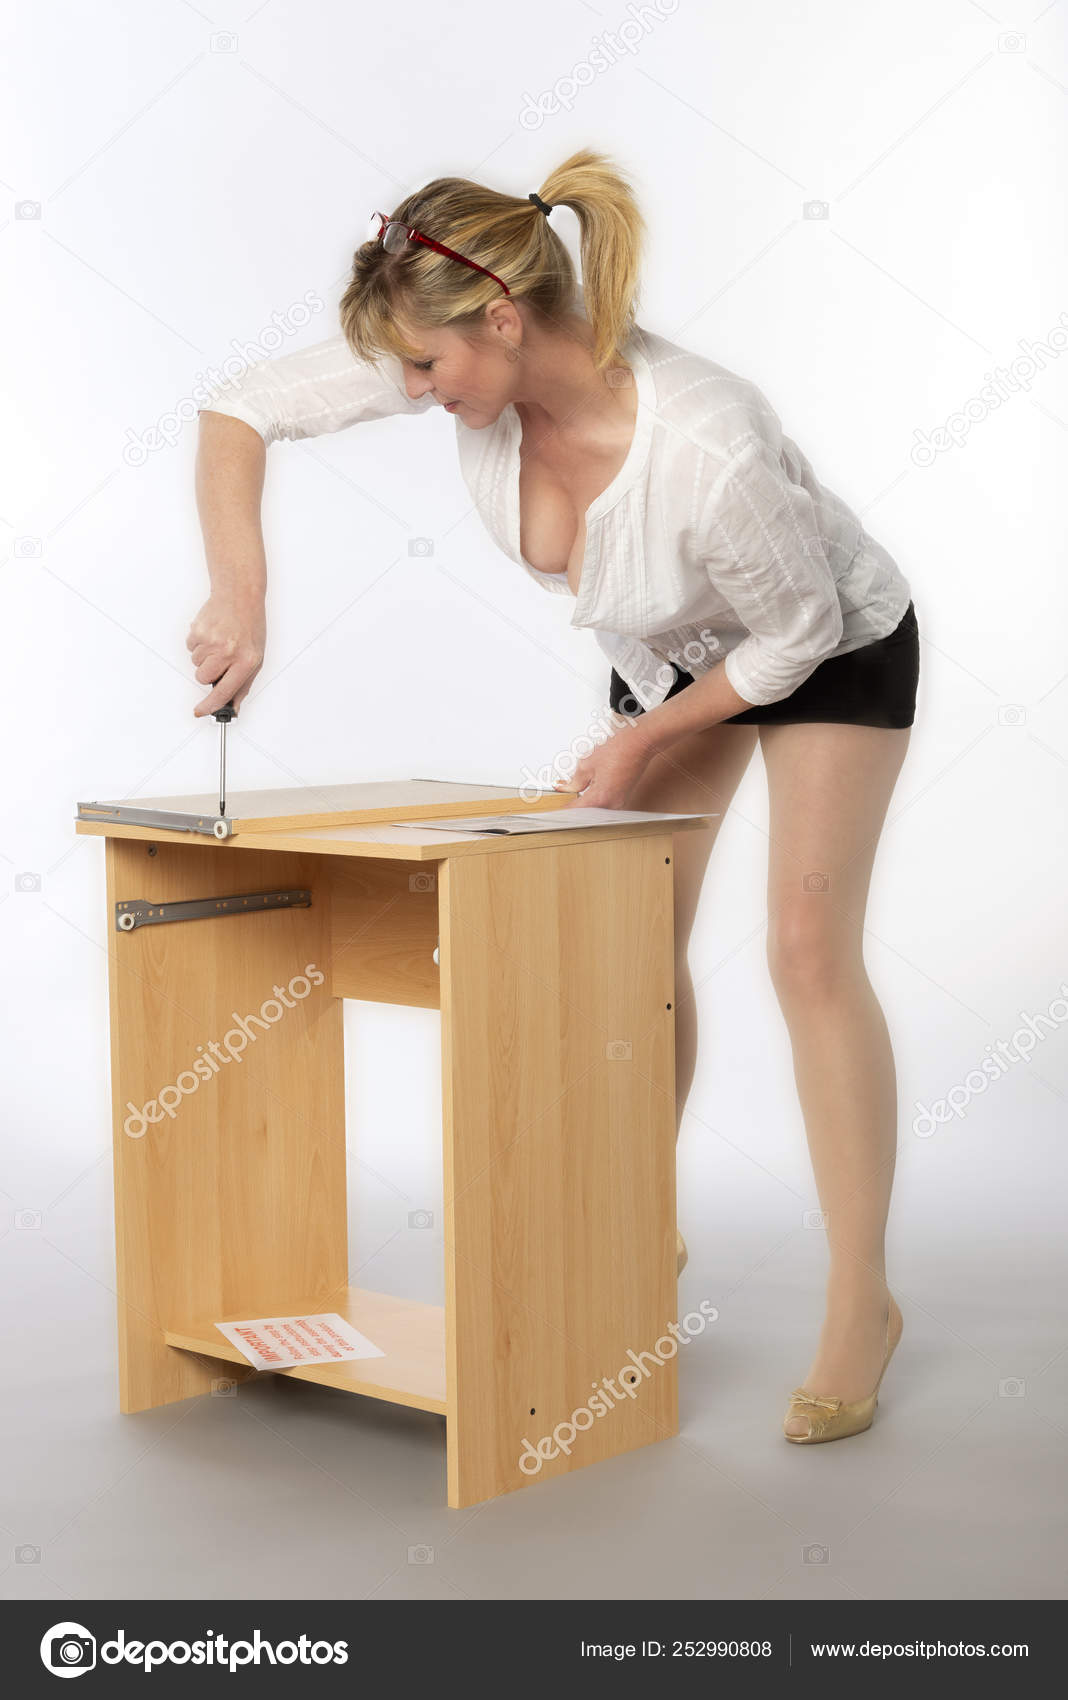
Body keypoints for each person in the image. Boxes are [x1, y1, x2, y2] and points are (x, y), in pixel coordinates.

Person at [189, 148, 915, 1445]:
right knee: (625, 946)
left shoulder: (707, 438)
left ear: (505, 319)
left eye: (428, 368)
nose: (415, 394)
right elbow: (240, 407)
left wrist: (637, 749)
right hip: (678, 657)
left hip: (824, 642)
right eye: (406, 369)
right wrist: (240, 590)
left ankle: (863, 1297)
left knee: (808, 949)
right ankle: (642, 1231)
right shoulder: (454, 341)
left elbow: (792, 638)